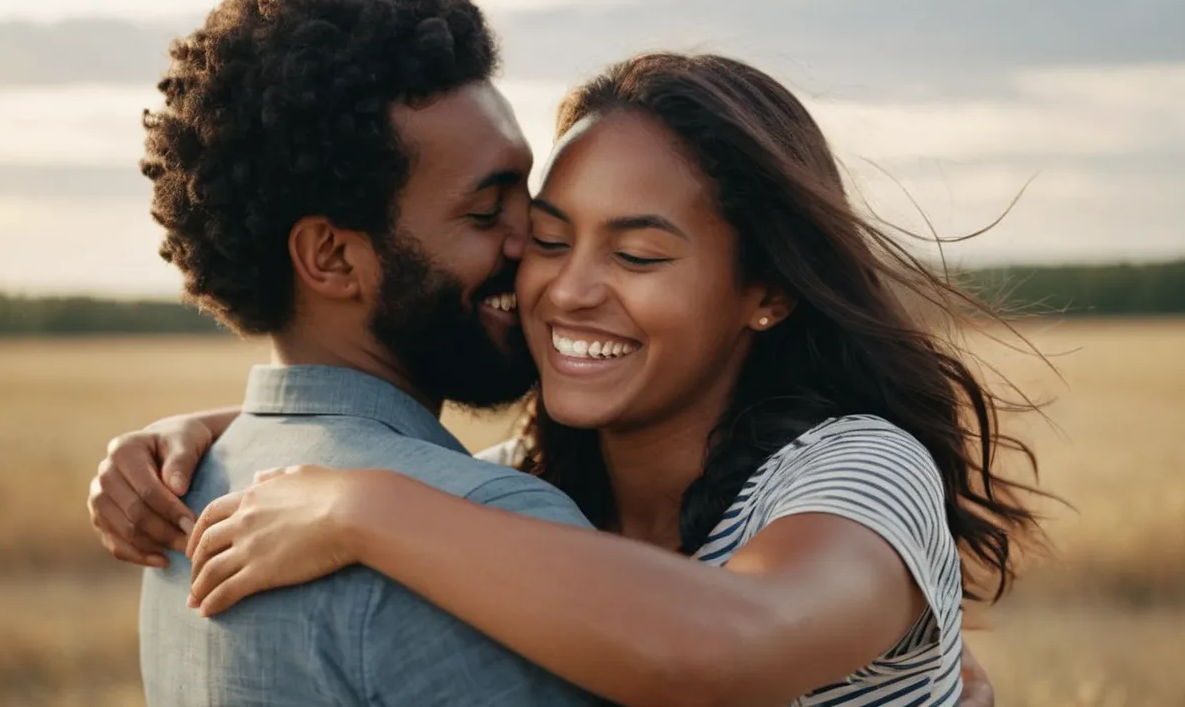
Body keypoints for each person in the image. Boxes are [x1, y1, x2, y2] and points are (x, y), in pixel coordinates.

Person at [91, 49, 1039, 704]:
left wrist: (363, 510)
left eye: (639, 256)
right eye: (549, 238)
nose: (567, 290)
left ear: (766, 293)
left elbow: (725, 645)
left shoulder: (858, 471)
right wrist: (227, 428)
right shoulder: (527, 482)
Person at [106, 0, 599, 706]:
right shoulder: (490, 527)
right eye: (485, 209)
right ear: (332, 257)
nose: (532, 239)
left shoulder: (186, 492)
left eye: (525, 194)